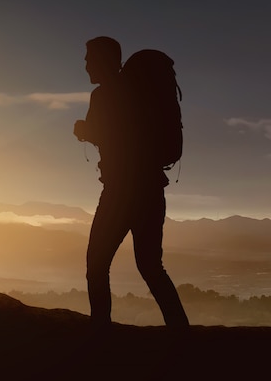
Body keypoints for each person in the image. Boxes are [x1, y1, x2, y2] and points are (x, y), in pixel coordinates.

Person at [74, 36, 189, 329]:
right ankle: (180, 331)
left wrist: (83, 130)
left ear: (104, 60)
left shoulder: (103, 96)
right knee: (151, 267)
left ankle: (100, 332)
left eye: (89, 58)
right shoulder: (139, 93)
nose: (85, 64)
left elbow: (111, 137)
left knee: (97, 265)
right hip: (151, 192)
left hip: (119, 194)